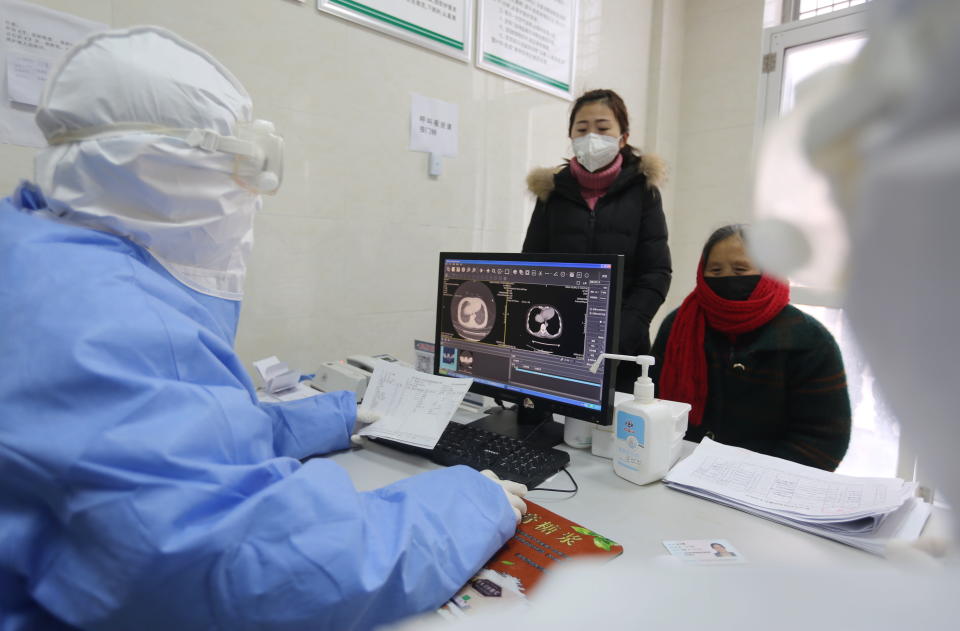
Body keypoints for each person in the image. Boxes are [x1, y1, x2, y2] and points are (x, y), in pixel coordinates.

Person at [0, 26, 528, 631]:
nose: (250, 203)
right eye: (243, 173)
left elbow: (168, 442)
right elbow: (249, 570)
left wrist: (328, 418)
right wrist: (467, 505)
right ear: (177, 171)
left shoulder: (39, 251)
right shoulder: (103, 318)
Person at [650, 224, 851, 471]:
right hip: (680, 468)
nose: (728, 279)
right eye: (715, 270)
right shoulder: (678, 325)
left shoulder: (809, 340)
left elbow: (824, 438)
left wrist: (756, 476)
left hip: (766, 485)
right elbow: (652, 403)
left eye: (740, 269)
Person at [522, 89, 671, 392]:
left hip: (622, 346)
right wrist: (543, 324)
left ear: (623, 137)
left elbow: (656, 273)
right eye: (582, 128)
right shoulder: (551, 192)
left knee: (613, 429)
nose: (591, 136)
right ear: (571, 136)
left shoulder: (643, 192)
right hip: (556, 333)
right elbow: (531, 266)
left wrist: (619, 334)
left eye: (603, 128)